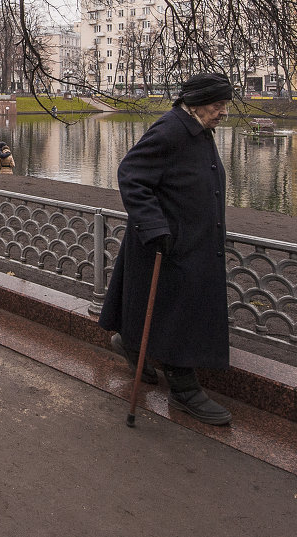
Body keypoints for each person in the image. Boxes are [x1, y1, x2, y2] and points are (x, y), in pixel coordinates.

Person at [98, 71, 235, 426]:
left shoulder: (197, 128)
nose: (223, 112)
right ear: (199, 102)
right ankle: (184, 388)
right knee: (181, 313)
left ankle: (131, 343)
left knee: (171, 307)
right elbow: (131, 174)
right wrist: (156, 226)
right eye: (219, 105)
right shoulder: (172, 128)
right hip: (170, 245)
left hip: (191, 241)